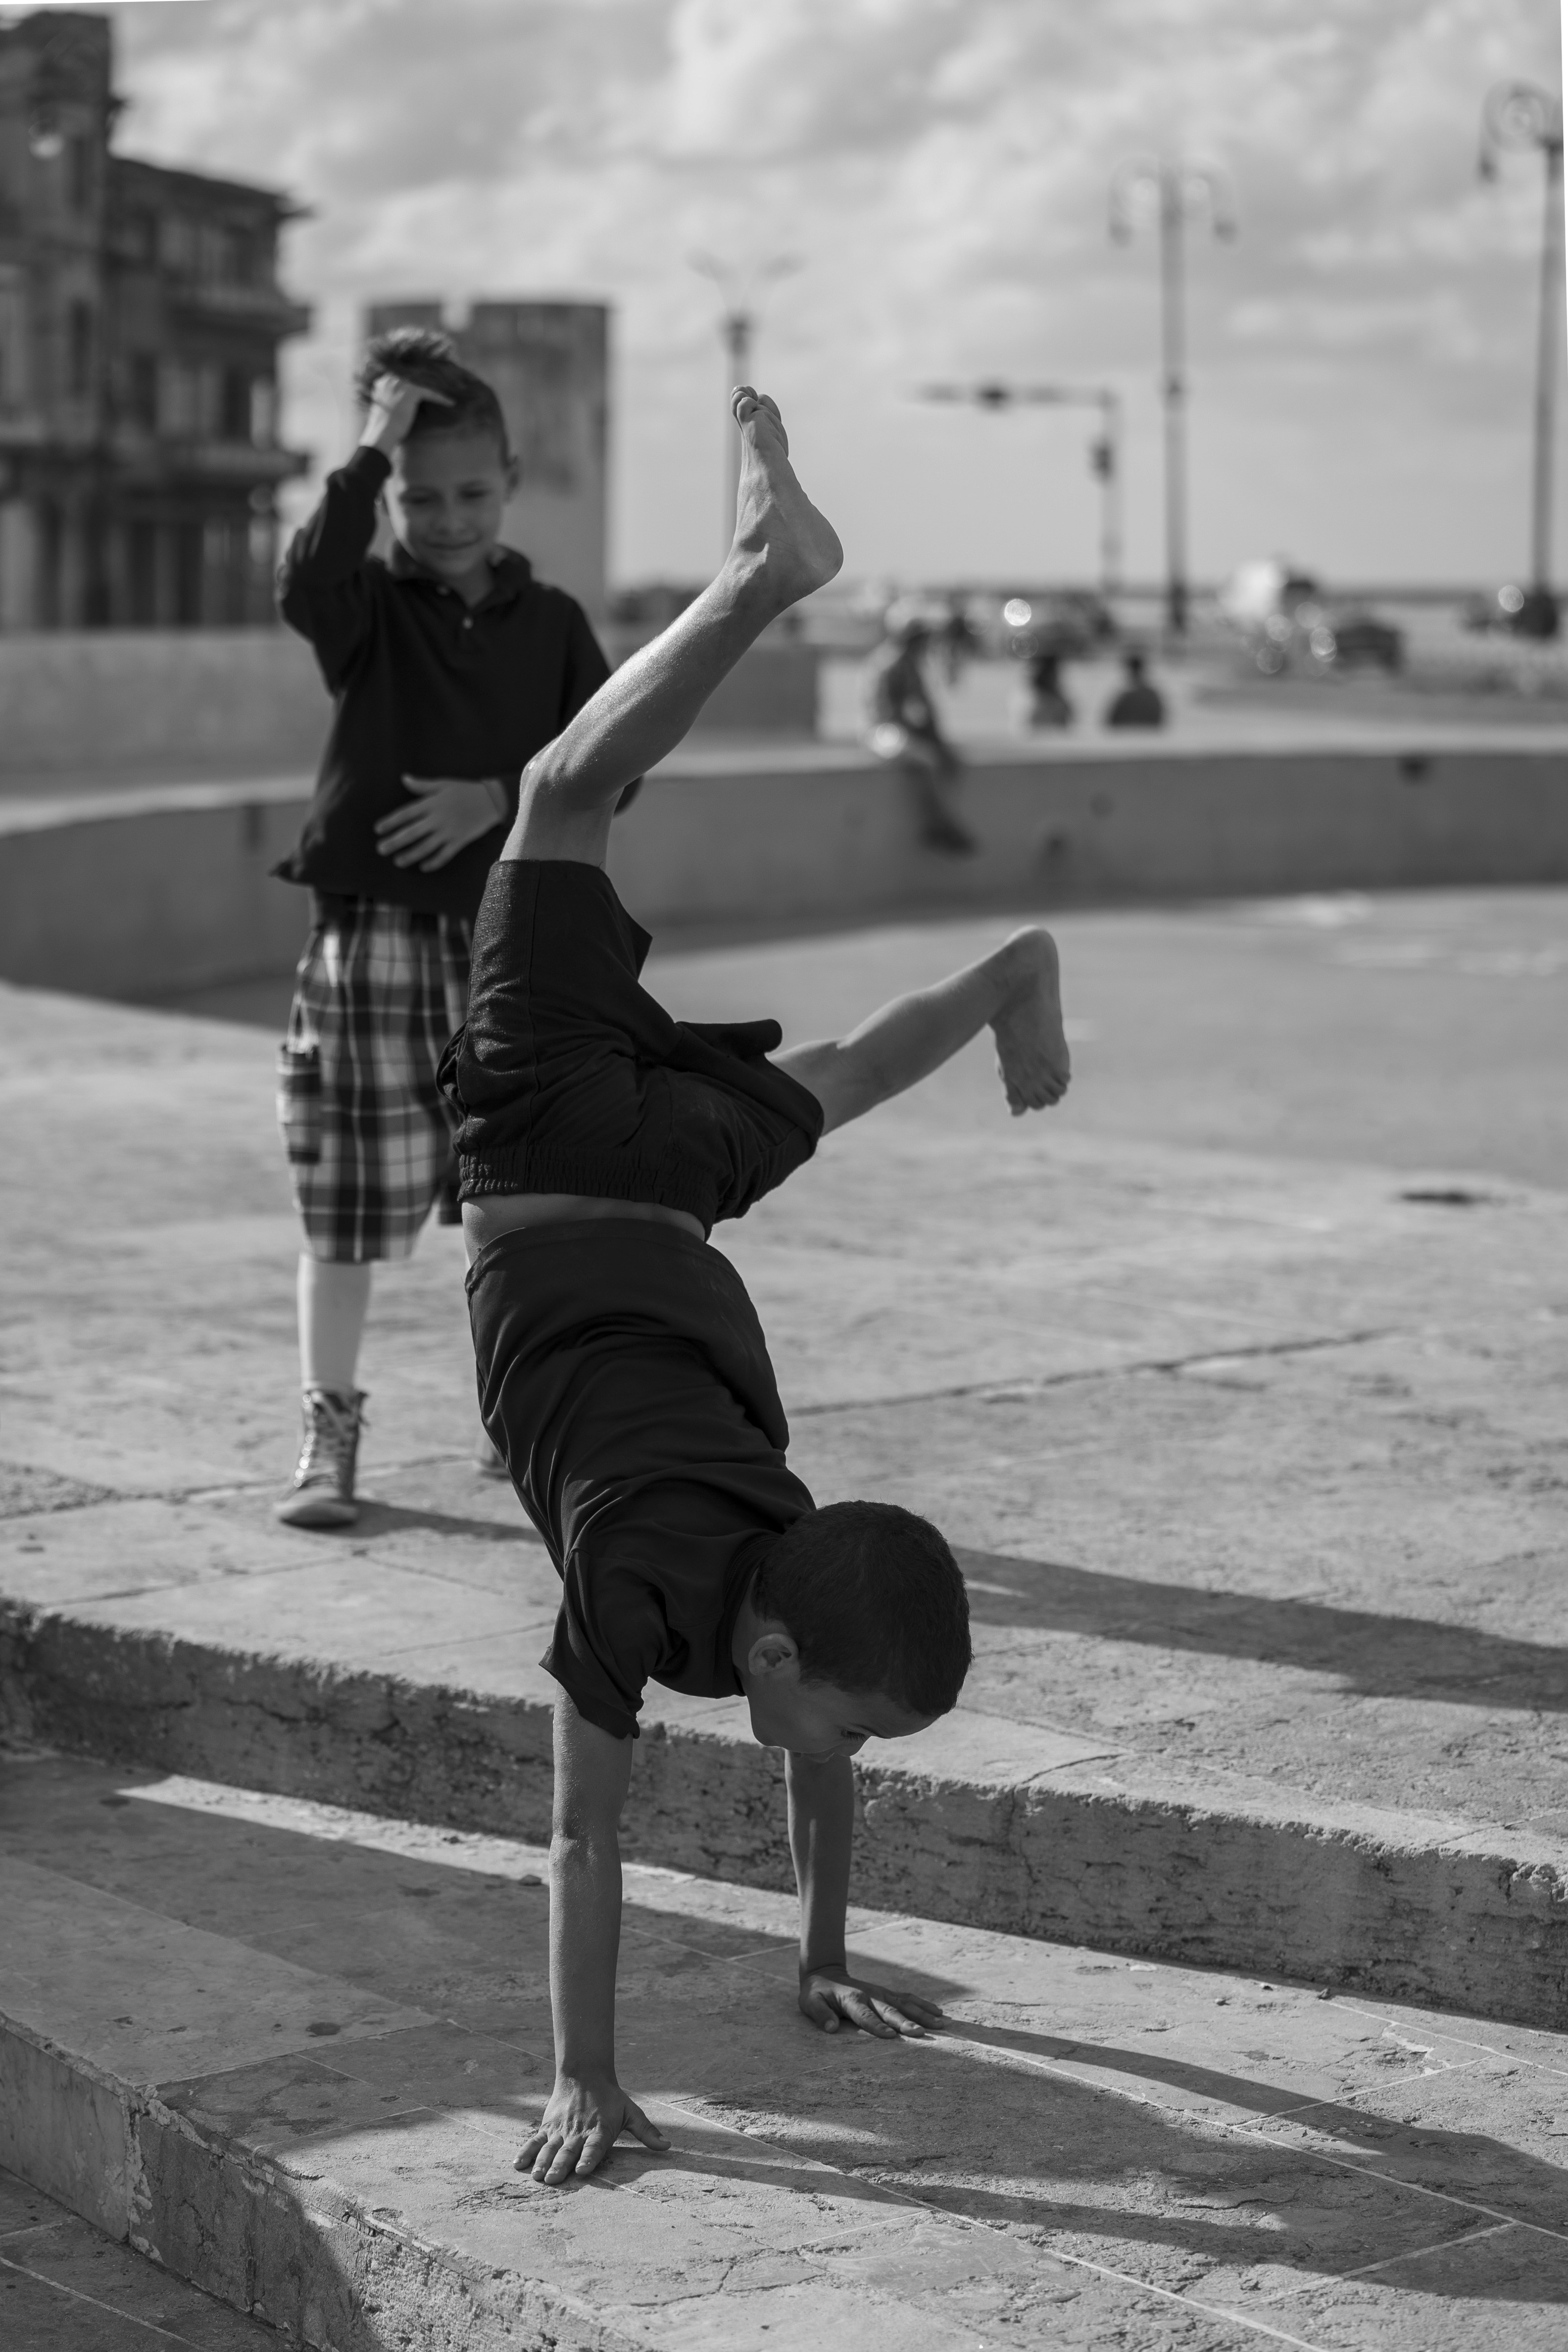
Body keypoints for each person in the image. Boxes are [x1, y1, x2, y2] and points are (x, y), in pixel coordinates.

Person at [441, 388, 1072, 2187]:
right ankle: (758, 573)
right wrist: (581, 2081)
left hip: (667, 1209)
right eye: (852, 1723)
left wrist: (817, 1960)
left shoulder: (785, 1555)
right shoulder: (641, 1590)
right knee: (557, 793)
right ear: (777, 1652)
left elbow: (804, 1756)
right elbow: (581, 1837)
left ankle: (1006, 971)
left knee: (846, 1081)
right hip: (561, 1165)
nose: (842, 1758)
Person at [271, 326, 624, 1527]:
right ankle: (329, 1429)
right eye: (421, 495)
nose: (450, 516)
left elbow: (613, 764)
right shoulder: (364, 608)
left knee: (516, 1203)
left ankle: (511, 1425)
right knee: (343, 1201)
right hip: (367, 941)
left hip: (505, 947)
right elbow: (305, 571)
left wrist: (498, 792)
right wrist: (372, 443)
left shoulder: (558, 620)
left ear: (512, 480)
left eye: (473, 490)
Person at [863, 601, 977, 854]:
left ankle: (945, 818)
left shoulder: (910, 664)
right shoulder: (888, 663)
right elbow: (884, 712)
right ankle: (938, 825)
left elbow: (925, 707)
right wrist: (919, 732)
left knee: (948, 758)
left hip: (900, 729)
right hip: (882, 731)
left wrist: (936, 737)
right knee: (925, 759)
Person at [1103, 647, 1167, 729]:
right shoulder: (1153, 696)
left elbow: (1112, 722)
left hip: (1127, 736)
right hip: (1148, 737)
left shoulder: (1126, 697)